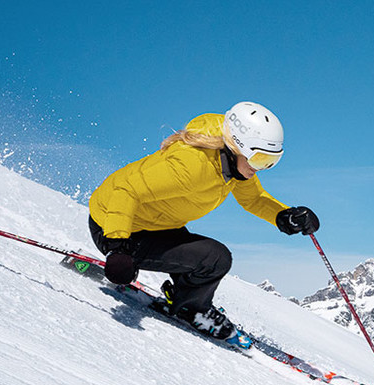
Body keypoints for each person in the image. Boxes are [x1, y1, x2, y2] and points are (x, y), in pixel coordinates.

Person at [87, 101, 318, 340]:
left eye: (271, 161)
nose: (260, 168)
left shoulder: (231, 163)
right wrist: (117, 248)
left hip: (153, 225)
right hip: (114, 227)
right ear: (238, 146)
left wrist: (284, 216)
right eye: (260, 159)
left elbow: (254, 199)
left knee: (208, 259)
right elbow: (126, 191)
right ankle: (190, 309)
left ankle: (184, 298)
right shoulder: (192, 166)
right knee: (215, 259)